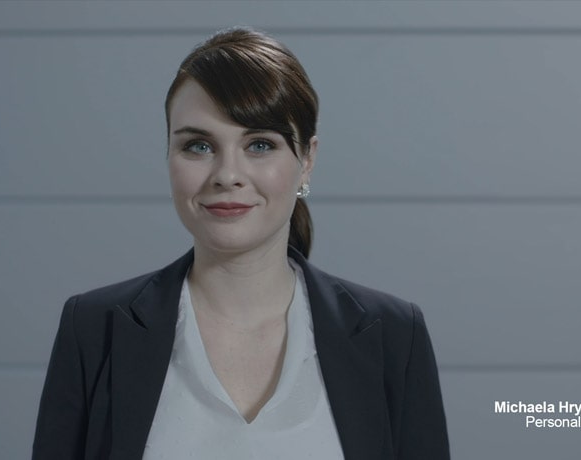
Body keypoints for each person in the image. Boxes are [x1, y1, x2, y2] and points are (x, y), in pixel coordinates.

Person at [32, 27, 450, 460]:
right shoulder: (93, 329)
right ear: (168, 154)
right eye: (198, 145)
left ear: (307, 160)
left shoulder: (394, 335)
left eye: (260, 144)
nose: (227, 175)